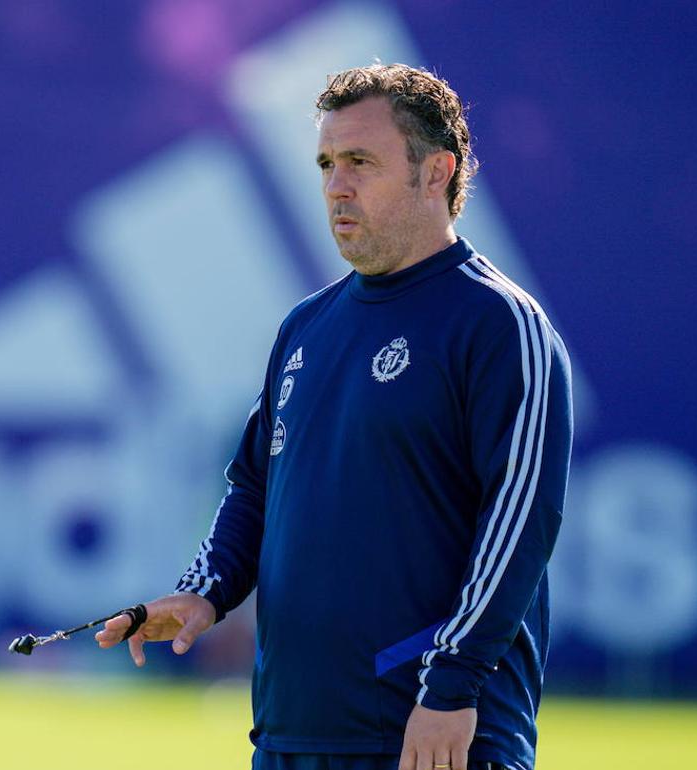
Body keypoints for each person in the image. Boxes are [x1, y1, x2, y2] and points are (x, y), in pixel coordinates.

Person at [95, 63, 573, 770]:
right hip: (292, 733)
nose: (335, 186)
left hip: (430, 734)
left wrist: (452, 686)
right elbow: (255, 489)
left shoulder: (499, 324)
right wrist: (206, 592)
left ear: (435, 171)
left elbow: (520, 523)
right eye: (326, 164)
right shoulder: (306, 328)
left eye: (360, 162)